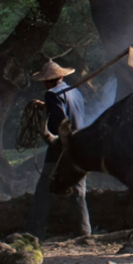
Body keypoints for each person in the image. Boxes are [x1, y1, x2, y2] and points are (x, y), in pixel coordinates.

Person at [24, 60, 91, 240]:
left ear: (47, 81)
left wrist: (52, 138)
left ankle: (33, 234)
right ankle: (84, 233)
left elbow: (59, 121)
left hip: (61, 148)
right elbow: (70, 111)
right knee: (78, 192)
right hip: (80, 145)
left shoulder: (51, 94)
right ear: (62, 76)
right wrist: (46, 106)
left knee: (44, 191)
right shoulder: (75, 91)